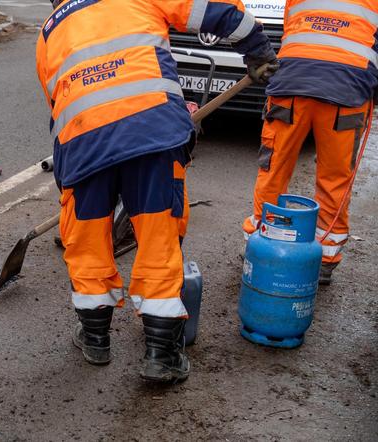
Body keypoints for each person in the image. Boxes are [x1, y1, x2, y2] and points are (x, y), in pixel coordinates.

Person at [36, 0, 276, 382]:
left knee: (86, 242)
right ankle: (161, 355)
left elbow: (58, 101)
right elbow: (217, 10)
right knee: (158, 239)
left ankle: (95, 339)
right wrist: (258, 51)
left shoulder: (49, 28)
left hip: (83, 145)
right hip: (152, 134)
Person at [242, 0, 378, 285]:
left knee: (273, 169)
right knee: (335, 177)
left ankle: (261, 244)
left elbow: (290, 30)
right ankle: (324, 260)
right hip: (347, 91)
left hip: (292, 84)